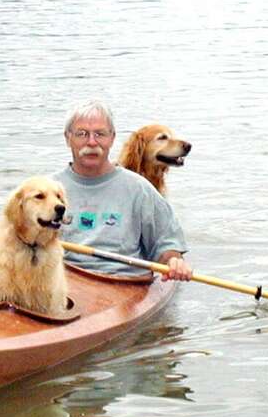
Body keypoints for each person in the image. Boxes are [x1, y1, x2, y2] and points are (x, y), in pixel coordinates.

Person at [54, 100, 193, 281]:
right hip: (62, 278)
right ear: (68, 138)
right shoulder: (47, 188)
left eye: (100, 134)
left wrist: (174, 262)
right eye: (82, 134)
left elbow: (167, 247)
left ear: (112, 138)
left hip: (121, 281)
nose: (91, 142)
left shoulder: (140, 189)